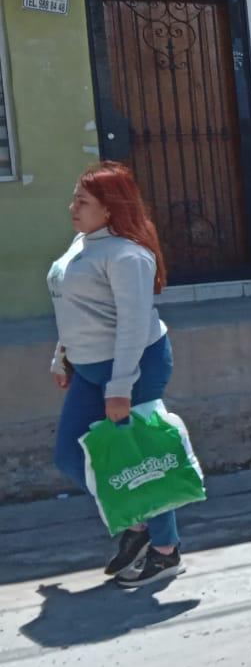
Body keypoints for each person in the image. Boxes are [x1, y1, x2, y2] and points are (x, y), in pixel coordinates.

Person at [48, 162, 186, 587]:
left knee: (141, 460)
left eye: (83, 201)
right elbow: (74, 307)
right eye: (75, 197)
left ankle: (165, 550)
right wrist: (63, 355)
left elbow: (131, 324)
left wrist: (120, 389)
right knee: (71, 455)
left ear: (109, 209)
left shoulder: (128, 255)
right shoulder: (83, 243)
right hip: (89, 367)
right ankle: (137, 525)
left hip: (131, 366)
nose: (73, 206)